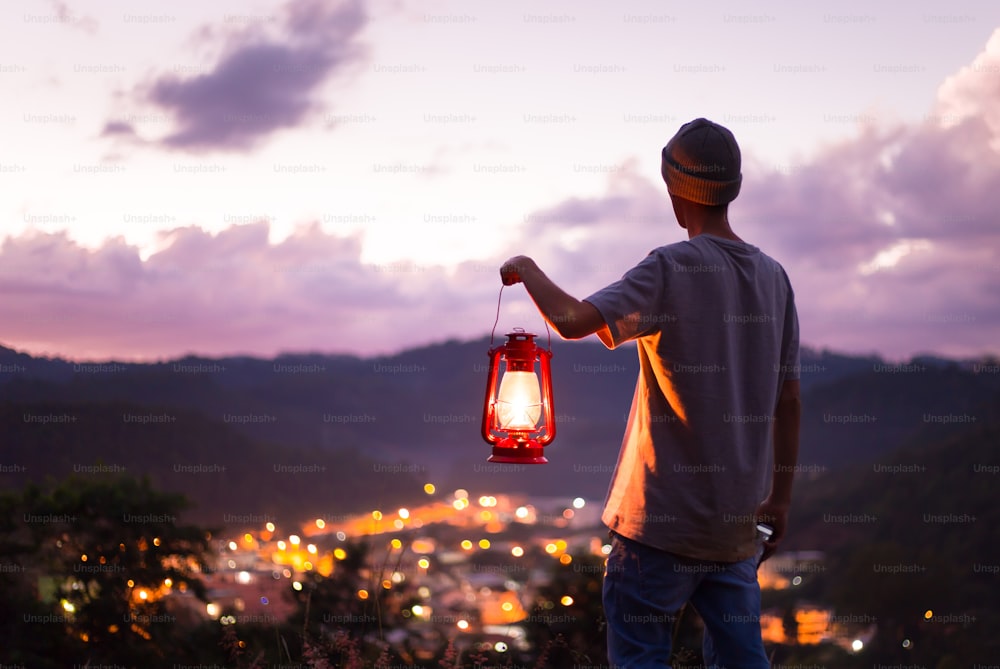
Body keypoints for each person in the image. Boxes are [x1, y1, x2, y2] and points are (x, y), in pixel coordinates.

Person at [500, 118, 801, 668]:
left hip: (657, 524)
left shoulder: (670, 266)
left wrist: (527, 269)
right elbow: (789, 400)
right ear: (733, 187)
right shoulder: (774, 278)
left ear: (673, 190)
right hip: (734, 526)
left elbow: (572, 321)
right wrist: (779, 498)